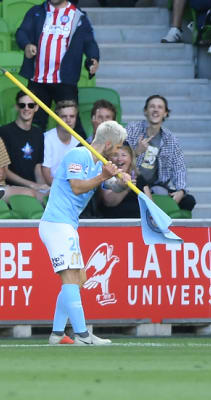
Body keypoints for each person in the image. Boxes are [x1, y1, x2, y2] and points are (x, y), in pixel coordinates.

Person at [40, 120, 131, 346]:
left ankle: (58, 334)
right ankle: (83, 335)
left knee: (79, 278)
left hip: (67, 224)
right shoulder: (79, 155)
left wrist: (123, 182)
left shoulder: (98, 161)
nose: (118, 152)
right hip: (57, 223)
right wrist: (102, 176)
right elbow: (77, 186)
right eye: (118, 146)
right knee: (71, 278)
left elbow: (109, 187)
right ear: (108, 143)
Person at [16, 0, 99, 136]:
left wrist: (94, 58)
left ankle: (81, 155)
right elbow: (22, 32)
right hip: (37, 80)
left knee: (71, 123)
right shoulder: (36, 11)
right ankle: (32, 155)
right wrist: (26, 45)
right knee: (34, 123)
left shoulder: (78, 16)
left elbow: (89, 42)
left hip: (65, 81)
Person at [126, 95, 196, 212]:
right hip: (134, 183)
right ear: (145, 111)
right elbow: (119, 158)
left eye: (160, 107)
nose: (155, 110)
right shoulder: (132, 129)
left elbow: (179, 167)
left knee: (189, 201)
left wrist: (181, 191)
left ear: (165, 113)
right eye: (152, 106)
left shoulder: (170, 138)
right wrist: (136, 152)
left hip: (158, 186)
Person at [0, 91, 49, 195]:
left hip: (33, 188)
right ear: (17, 107)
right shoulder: (4, 132)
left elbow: (37, 168)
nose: (26, 108)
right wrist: (31, 185)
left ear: (36, 107)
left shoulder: (38, 133)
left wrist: (44, 188)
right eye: (22, 105)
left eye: (30, 105)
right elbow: (4, 171)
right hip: (12, 188)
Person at [43, 100, 80, 186]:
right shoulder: (47, 138)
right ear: (56, 118)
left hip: (72, 187)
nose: (68, 120)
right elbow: (46, 173)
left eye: (72, 116)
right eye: (64, 116)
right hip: (52, 188)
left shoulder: (78, 141)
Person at [98, 143, 140, 218]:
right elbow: (109, 202)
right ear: (109, 159)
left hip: (138, 223)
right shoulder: (106, 176)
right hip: (112, 223)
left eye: (123, 155)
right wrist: (126, 188)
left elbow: (149, 205)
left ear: (131, 158)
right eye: (115, 155)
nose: (119, 159)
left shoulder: (138, 177)